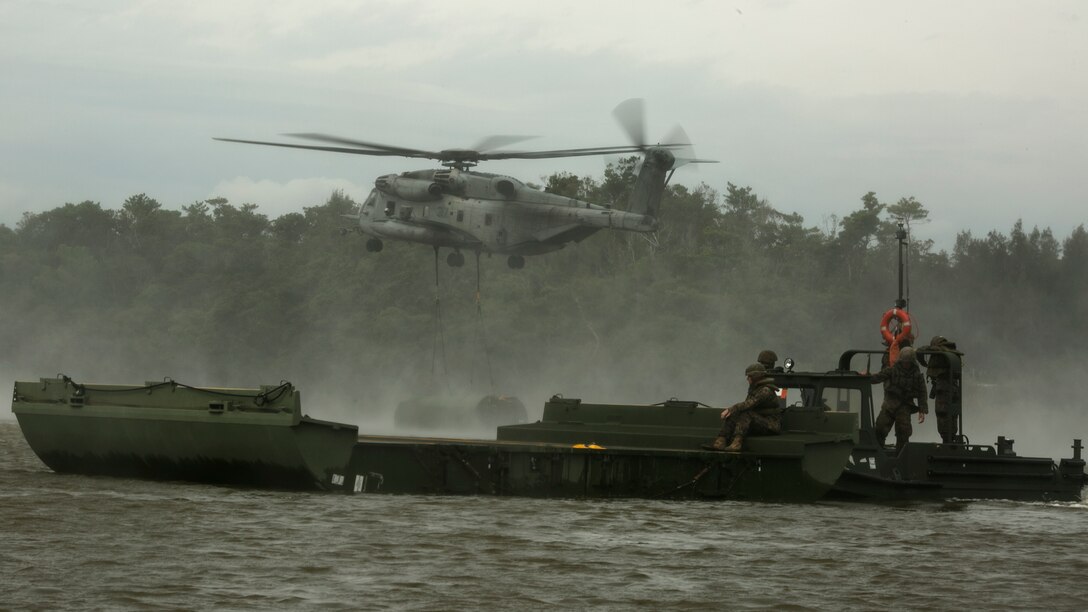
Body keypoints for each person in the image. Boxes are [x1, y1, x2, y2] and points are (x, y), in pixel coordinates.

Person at [708, 363, 783, 452]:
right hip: (760, 421)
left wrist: (731, 409)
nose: (747, 379)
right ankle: (720, 441)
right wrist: (732, 411)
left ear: (756, 376)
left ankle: (737, 443)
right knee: (735, 413)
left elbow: (749, 404)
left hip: (771, 425)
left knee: (746, 413)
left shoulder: (765, 390)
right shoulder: (755, 389)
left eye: (749, 376)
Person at [869, 346, 929, 454]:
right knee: (880, 428)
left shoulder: (917, 376)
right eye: (904, 362)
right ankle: (877, 452)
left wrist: (922, 410)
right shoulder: (892, 371)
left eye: (908, 362)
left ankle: (901, 456)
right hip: (890, 404)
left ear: (912, 362)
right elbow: (878, 377)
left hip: (905, 406)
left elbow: (922, 392)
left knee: (904, 431)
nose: (906, 364)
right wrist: (866, 377)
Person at [918, 335, 963, 443]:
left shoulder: (940, 351)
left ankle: (947, 440)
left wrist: (924, 362)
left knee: (942, 413)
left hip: (944, 388)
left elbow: (919, 351)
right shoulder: (952, 351)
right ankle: (950, 438)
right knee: (952, 415)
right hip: (953, 387)